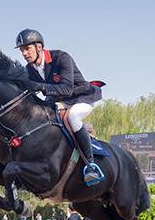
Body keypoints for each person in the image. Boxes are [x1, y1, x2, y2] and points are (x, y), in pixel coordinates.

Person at [15, 28, 104, 186]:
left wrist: (38, 86)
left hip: (82, 97)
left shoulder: (61, 58)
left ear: (39, 47)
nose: (24, 53)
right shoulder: (29, 69)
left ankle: (91, 166)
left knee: (72, 117)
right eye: (22, 50)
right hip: (58, 101)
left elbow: (66, 89)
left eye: (27, 48)